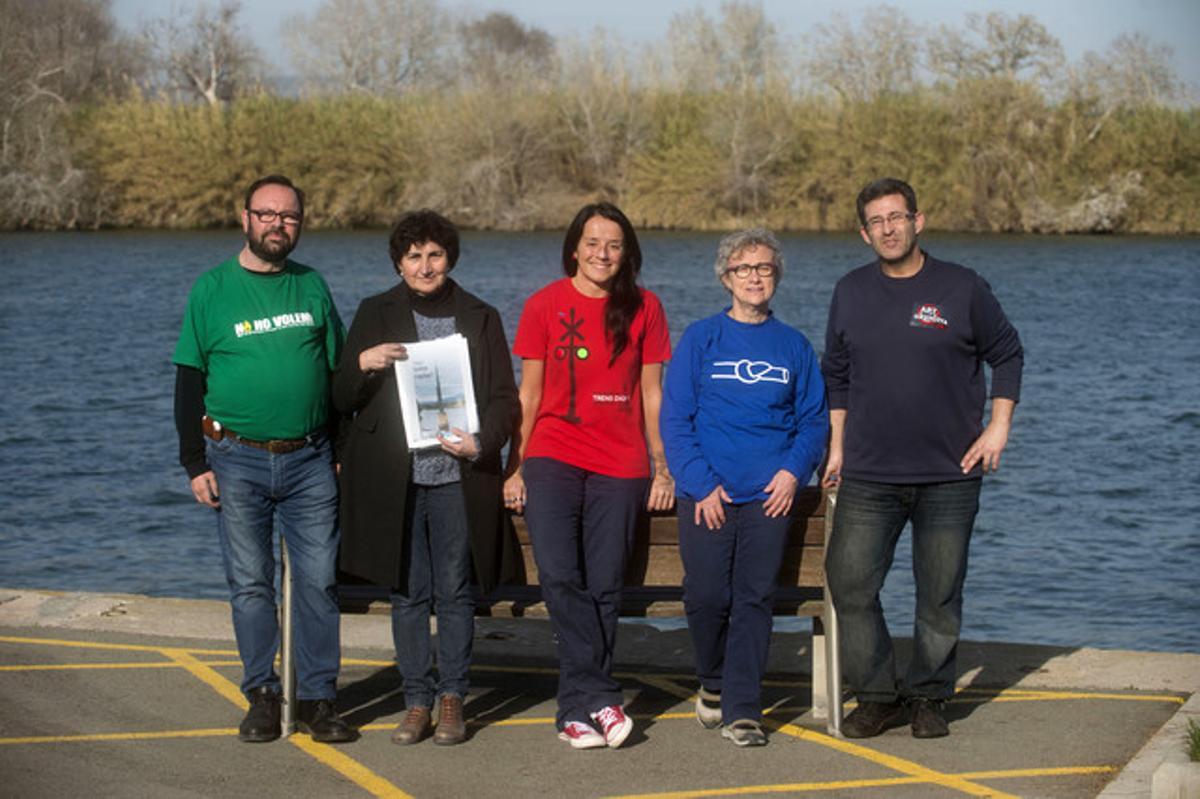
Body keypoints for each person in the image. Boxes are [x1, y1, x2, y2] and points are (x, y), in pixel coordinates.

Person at [821, 177, 1024, 739]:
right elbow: (835, 373)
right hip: (868, 472)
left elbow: (1007, 353)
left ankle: (930, 696)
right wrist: (836, 445)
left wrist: (998, 428)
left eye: (896, 217)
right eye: (876, 222)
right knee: (851, 584)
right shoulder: (850, 291)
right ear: (865, 233)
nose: (888, 229)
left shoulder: (963, 288)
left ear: (918, 220)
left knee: (939, 593)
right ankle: (879, 695)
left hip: (950, 474)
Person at [172, 174, 355, 744]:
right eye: (268, 214)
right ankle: (261, 693)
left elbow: (339, 377)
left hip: (310, 459)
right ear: (245, 218)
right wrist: (193, 462)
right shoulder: (211, 290)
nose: (279, 224)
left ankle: (318, 698)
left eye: (290, 216)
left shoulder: (312, 287)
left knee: (320, 582)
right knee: (251, 584)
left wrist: (342, 452)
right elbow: (188, 381)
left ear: (300, 224)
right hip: (236, 460)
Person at [334, 210, 519, 747]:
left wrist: (482, 442)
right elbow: (339, 398)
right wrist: (364, 362)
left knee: (456, 593)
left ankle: (453, 697)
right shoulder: (374, 312)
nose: (424, 265)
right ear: (398, 261)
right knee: (409, 595)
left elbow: (506, 399)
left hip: (458, 477)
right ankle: (416, 699)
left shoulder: (479, 315)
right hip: (397, 481)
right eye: (413, 256)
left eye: (434, 254)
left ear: (449, 258)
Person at [504, 202, 674, 750]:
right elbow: (528, 395)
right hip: (553, 455)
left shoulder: (646, 307)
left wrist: (661, 465)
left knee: (604, 586)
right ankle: (601, 694)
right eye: (593, 242)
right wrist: (515, 464)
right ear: (574, 247)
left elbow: (652, 395)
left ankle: (575, 712)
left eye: (615, 245)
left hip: (620, 464)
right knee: (558, 576)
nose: (603, 254)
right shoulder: (543, 305)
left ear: (628, 253)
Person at [661, 229, 828, 747]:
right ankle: (712, 682)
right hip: (707, 494)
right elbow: (676, 420)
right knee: (707, 596)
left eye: (763, 268)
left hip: (769, 495)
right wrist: (701, 484)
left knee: (754, 598)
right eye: (743, 268)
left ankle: (743, 709)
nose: (754, 277)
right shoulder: (701, 339)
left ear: (776, 276)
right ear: (725, 277)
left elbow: (814, 421)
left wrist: (791, 473)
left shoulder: (793, 345)